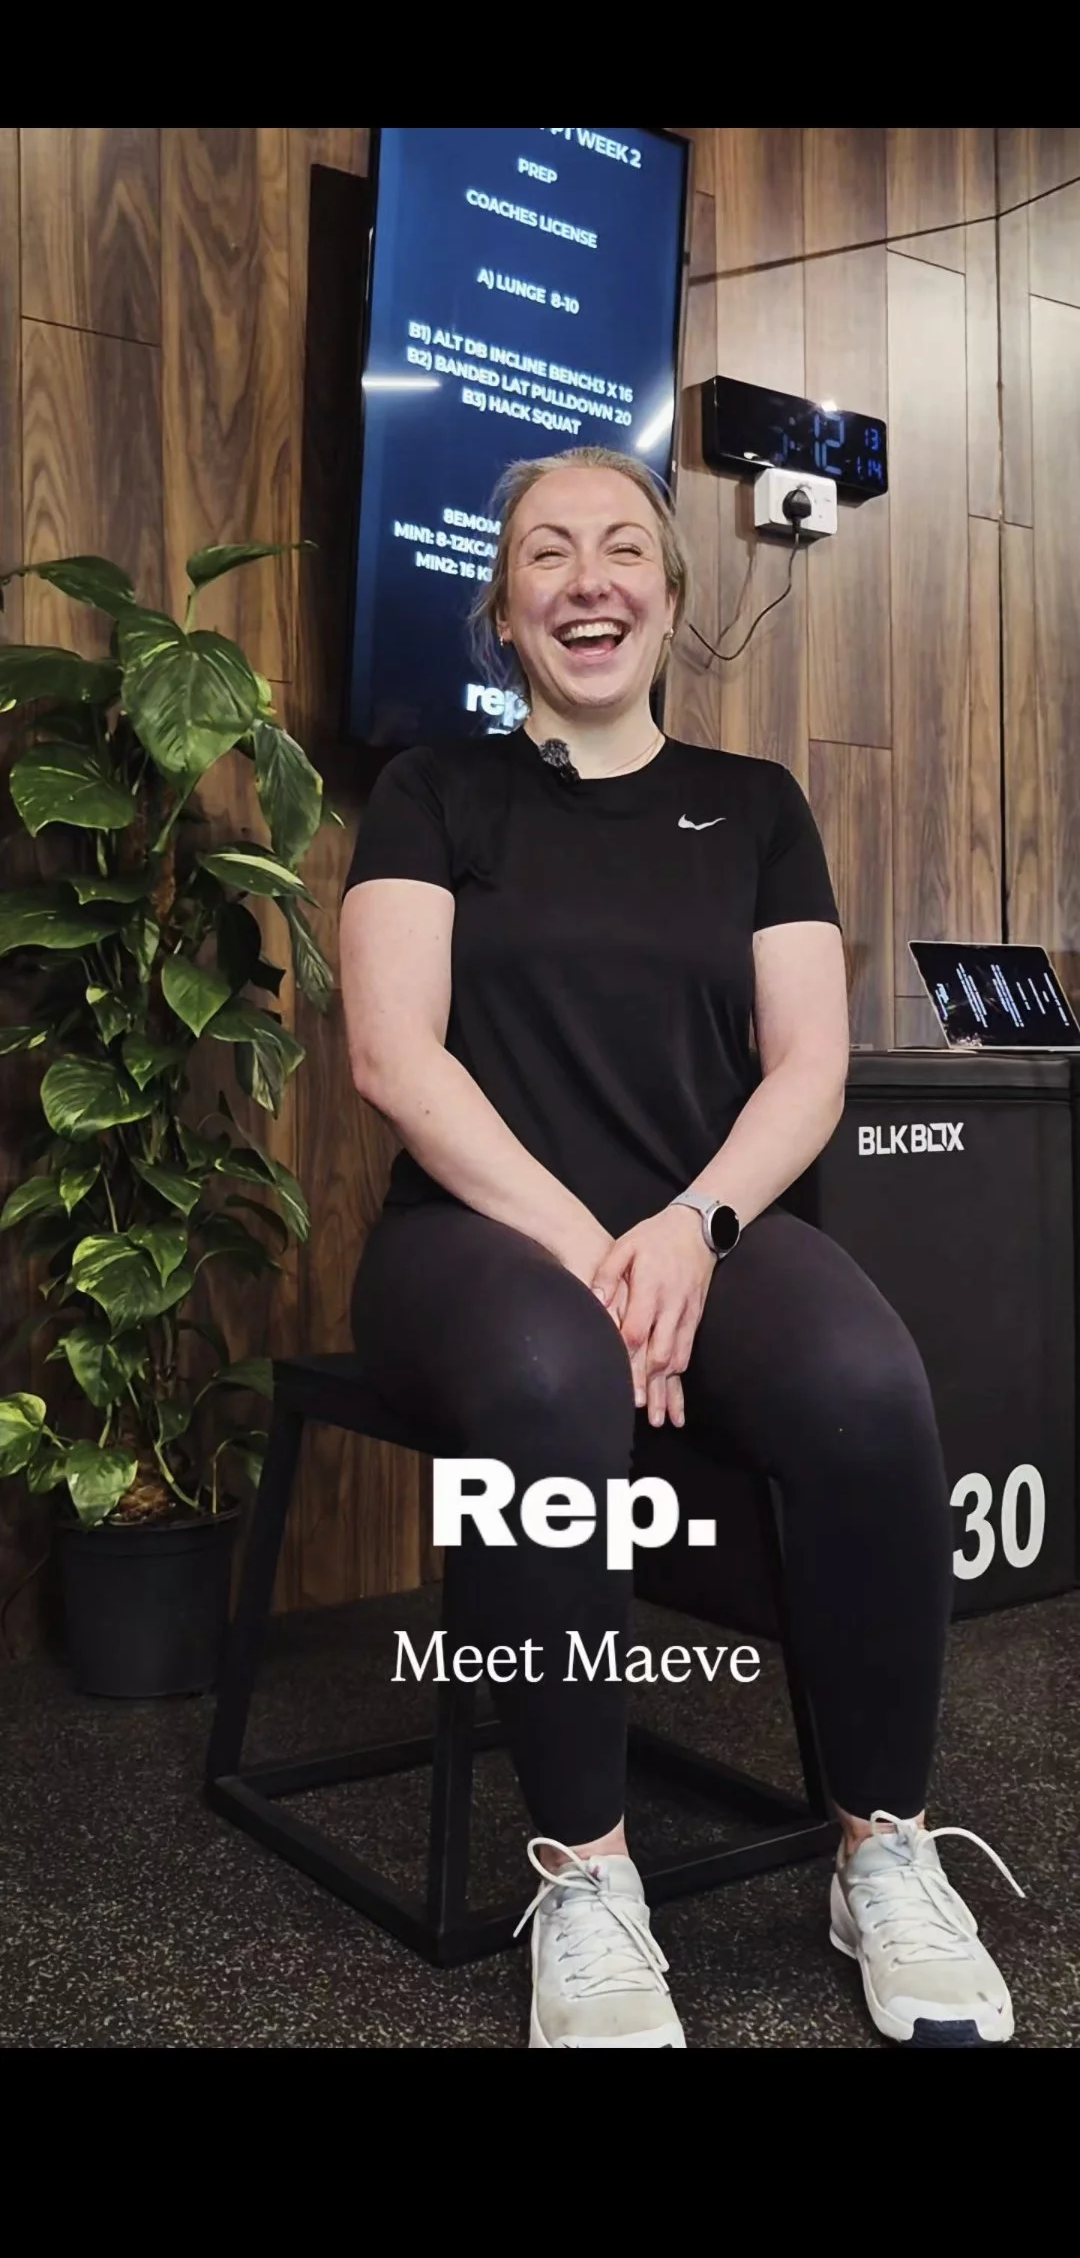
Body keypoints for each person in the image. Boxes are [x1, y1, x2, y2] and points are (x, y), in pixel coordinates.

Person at [339, 444, 1022, 2050]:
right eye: (549, 556)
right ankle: (585, 1874)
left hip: (703, 1222)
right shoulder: (435, 792)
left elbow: (808, 1067)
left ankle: (883, 1848)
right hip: (475, 1235)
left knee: (866, 1391)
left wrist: (694, 1226)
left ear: (671, 593)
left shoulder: (759, 809)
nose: (591, 581)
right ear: (502, 611)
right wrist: (597, 1248)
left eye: (625, 548)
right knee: (543, 1375)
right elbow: (394, 1056)